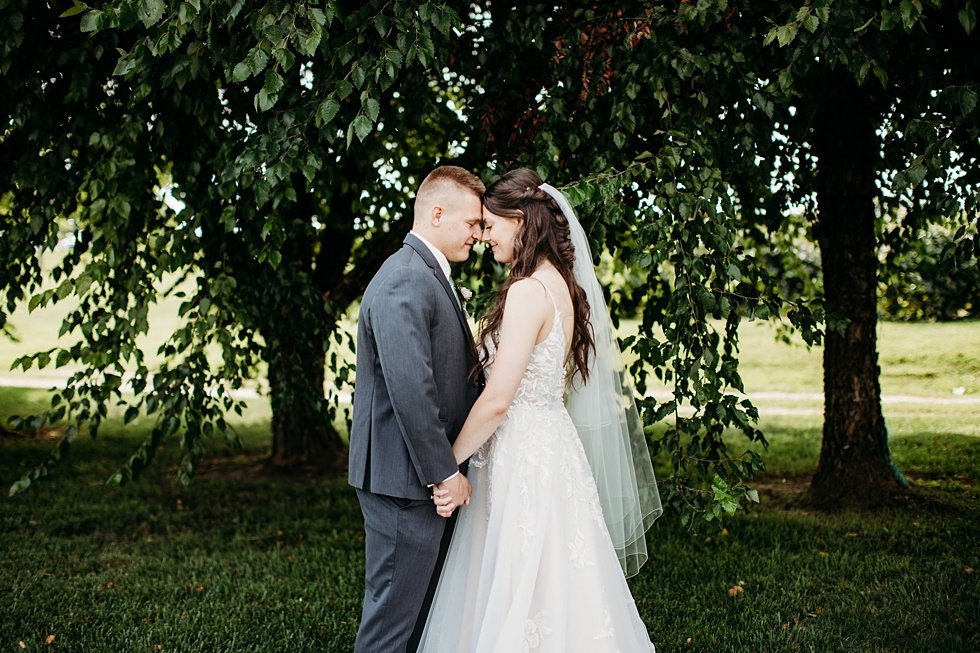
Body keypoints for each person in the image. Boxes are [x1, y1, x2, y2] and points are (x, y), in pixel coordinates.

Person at [419, 168, 663, 652]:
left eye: (491, 225)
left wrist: (447, 464)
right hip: (552, 446)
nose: (485, 236)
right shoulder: (562, 287)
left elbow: (497, 400)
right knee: (556, 579)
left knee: (519, 577)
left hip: (521, 454)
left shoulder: (528, 291)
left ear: (521, 221)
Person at [348, 165, 486, 653]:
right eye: (471, 222)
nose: (479, 232)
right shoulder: (405, 278)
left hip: (412, 481)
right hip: (404, 482)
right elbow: (411, 390)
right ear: (437, 212)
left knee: (414, 620)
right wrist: (444, 473)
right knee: (390, 627)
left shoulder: (426, 274)